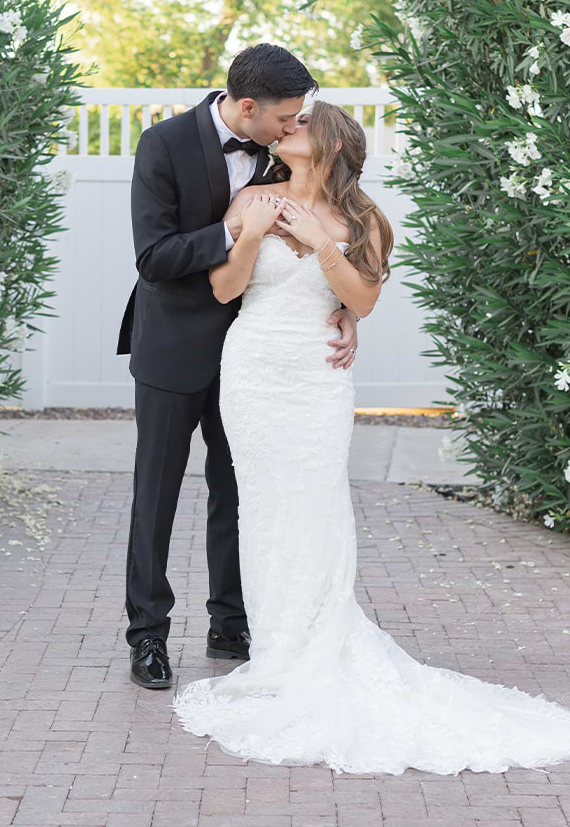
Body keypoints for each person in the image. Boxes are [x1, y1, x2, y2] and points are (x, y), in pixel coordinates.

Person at [170, 101, 570, 775]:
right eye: (289, 121)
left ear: (335, 144)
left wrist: (319, 243)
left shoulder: (362, 219)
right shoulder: (252, 198)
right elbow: (225, 290)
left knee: (315, 505)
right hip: (251, 371)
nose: (289, 128)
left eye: (303, 123)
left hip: (316, 379)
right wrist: (251, 235)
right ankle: (277, 653)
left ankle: (316, 647)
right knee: (262, 512)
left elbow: (362, 301)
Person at [117, 45, 361, 690]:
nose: (292, 126)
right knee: (157, 494)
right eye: (285, 116)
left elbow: (332, 249)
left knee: (241, 490)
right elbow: (155, 257)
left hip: (256, 357)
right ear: (248, 107)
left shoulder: (281, 158)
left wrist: (344, 311)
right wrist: (236, 232)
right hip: (174, 347)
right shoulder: (163, 145)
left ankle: (232, 623)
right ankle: (147, 637)